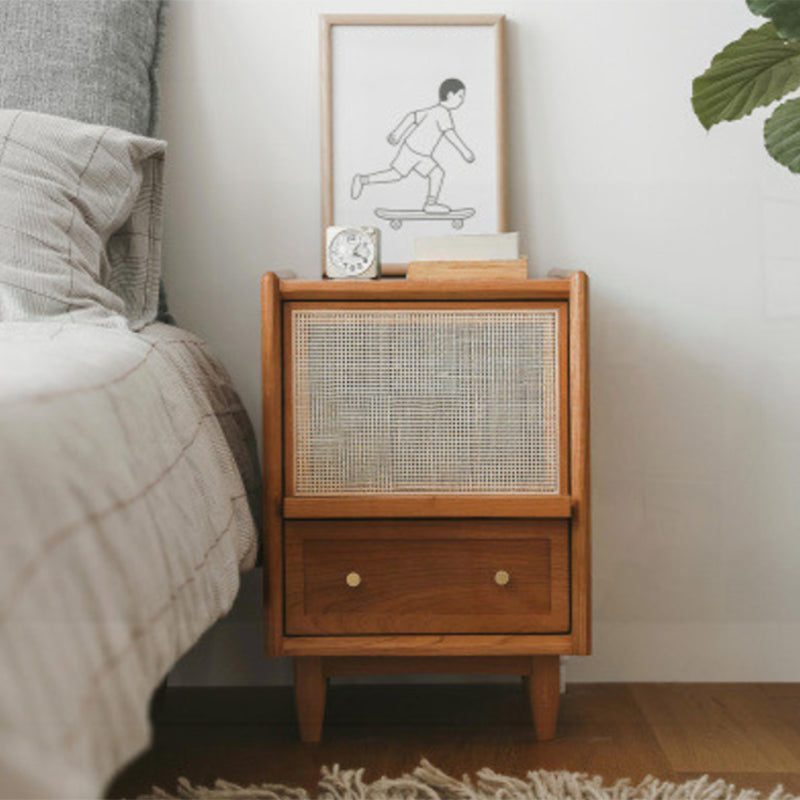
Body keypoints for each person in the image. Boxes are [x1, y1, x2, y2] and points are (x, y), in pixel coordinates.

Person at [351, 78, 475, 213]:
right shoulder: (441, 113)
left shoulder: (436, 111)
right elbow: (450, 134)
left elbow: (412, 116)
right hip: (412, 151)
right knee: (399, 174)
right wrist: (465, 151)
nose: (462, 100)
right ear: (450, 95)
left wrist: (397, 134)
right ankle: (362, 180)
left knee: (434, 173)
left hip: (422, 155)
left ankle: (430, 204)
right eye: (460, 96)